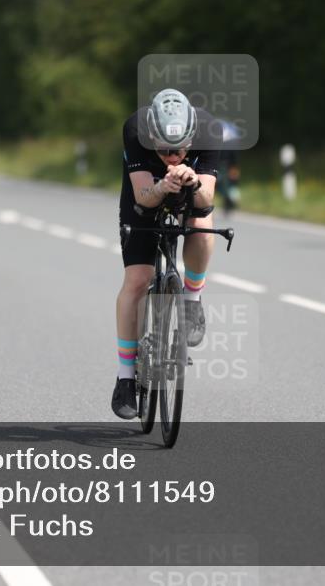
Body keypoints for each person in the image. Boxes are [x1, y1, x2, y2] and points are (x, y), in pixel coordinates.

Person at [112, 89, 220, 420]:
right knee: (138, 279)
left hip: (191, 190)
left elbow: (207, 199)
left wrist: (193, 182)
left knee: (201, 224)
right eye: (163, 150)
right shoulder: (135, 130)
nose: (172, 156)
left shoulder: (208, 130)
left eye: (180, 149)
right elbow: (143, 197)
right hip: (145, 192)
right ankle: (125, 378)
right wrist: (161, 187)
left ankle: (192, 300)